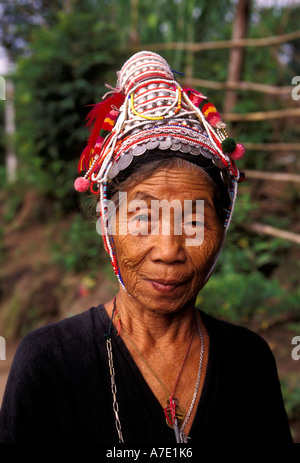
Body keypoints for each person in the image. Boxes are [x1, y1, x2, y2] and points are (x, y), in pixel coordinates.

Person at [0, 51, 292, 444]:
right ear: (107, 224)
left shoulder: (249, 362)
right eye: (143, 218)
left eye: (192, 221)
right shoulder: (49, 364)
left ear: (222, 227)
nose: (168, 250)